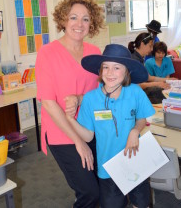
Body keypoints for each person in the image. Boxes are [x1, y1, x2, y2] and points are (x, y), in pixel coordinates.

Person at [35, 0, 105, 208]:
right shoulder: (47, 53)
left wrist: (81, 99)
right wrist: (78, 141)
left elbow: (100, 92)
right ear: (63, 20)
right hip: (62, 132)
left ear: (91, 23)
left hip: (91, 126)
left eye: (85, 19)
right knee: (89, 192)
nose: (79, 24)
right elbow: (48, 103)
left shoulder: (94, 52)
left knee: (103, 187)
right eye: (73, 17)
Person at [66, 44, 155, 208]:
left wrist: (135, 131)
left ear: (126, 71)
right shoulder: (91, 99)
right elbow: (88, 136)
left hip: (135, 159)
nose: (109, 72)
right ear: (100, 71)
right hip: (108, 166)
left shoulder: (135, 92)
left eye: (116, 68)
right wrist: (70, 119)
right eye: (105, 67)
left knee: (141, 203)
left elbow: (142, 118)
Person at [128, 33, 171, 103]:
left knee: (163, 90)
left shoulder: (140, 58)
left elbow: (148, 77)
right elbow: (136, 86)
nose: (151, 49)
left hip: (140, 90)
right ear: (142, 44)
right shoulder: (134, 60)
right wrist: (158, 84)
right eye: (150, 46)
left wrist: (167, 79)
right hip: (134, 94)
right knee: (159, 92)